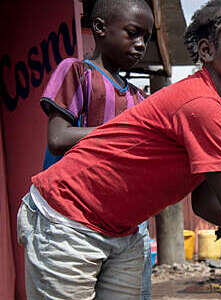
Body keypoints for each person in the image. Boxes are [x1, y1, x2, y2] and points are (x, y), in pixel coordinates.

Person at [16, 0, 221, 298]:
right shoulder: (200, 105)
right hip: (67, 218)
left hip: (122, 228)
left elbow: (206, 203)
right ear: (206, 51)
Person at [37, 0, 154, 299]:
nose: (140, 44)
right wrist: (124, 133)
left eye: (146, 37)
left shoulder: (139, 97)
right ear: (100, 28)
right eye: (132, 33)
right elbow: (58, 137)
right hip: (70, 220)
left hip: (125, 223)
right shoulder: (76, 72)